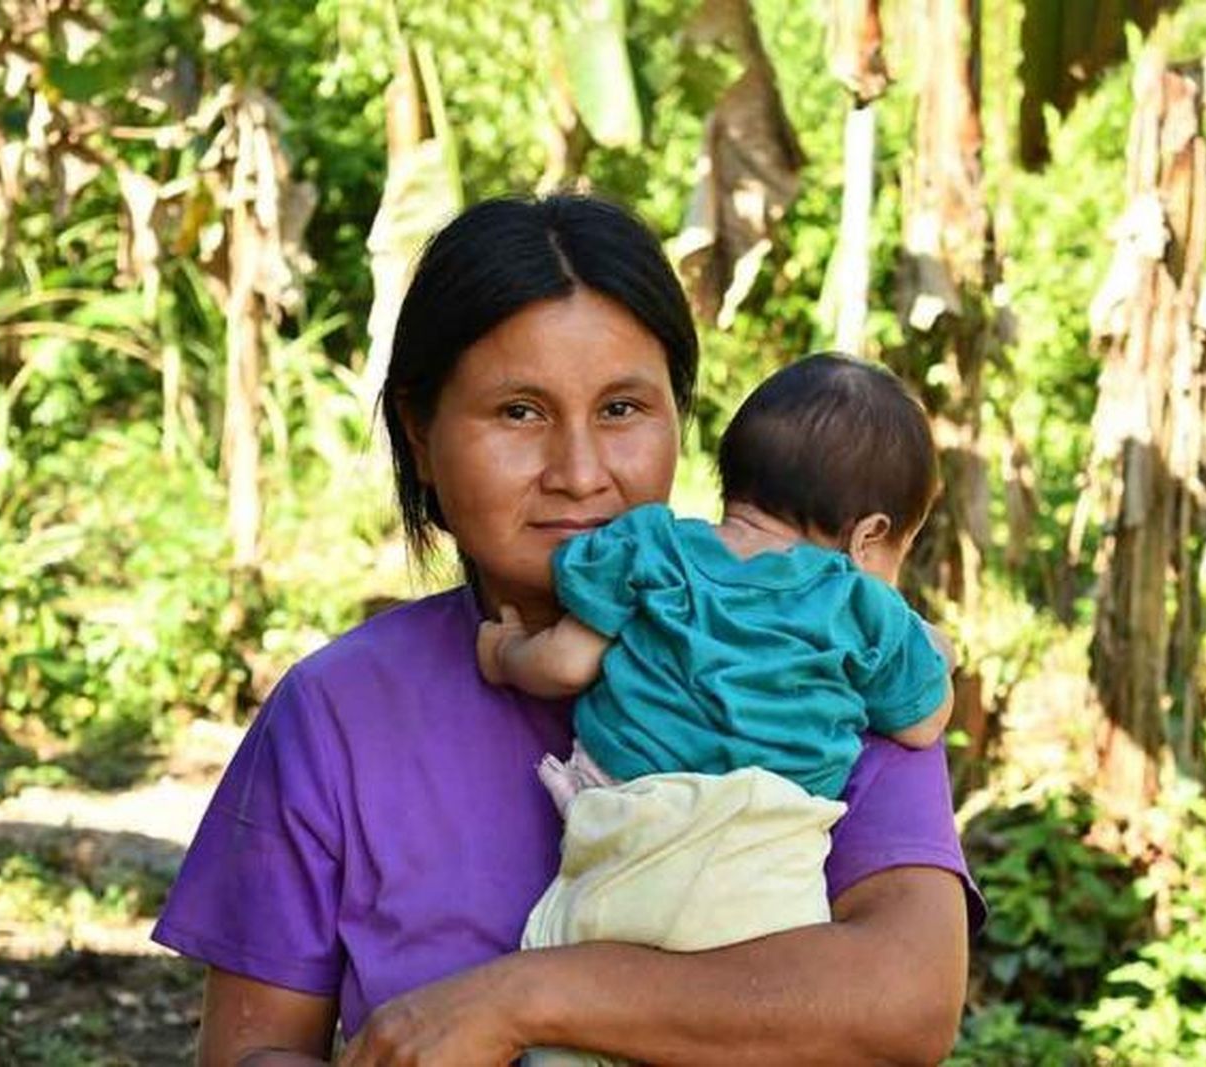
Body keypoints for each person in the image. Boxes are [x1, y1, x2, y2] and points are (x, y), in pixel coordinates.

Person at [153, 194, 984, 1067]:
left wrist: (523, 998)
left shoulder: (824, 668)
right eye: (520, 411)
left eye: (623, 409)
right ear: (421, 435)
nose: (581, 474)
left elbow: (906, 1002)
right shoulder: (337, 713)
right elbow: (252, 1053)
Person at [474, 355, 957, 1067]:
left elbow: (565, 665)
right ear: (868, 538)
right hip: (757, 885)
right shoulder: (861, 606)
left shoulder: (654, 548)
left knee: (567, 1043)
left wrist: (503, 653)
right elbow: (922, 721)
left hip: (622, 849)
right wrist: (934, 648)